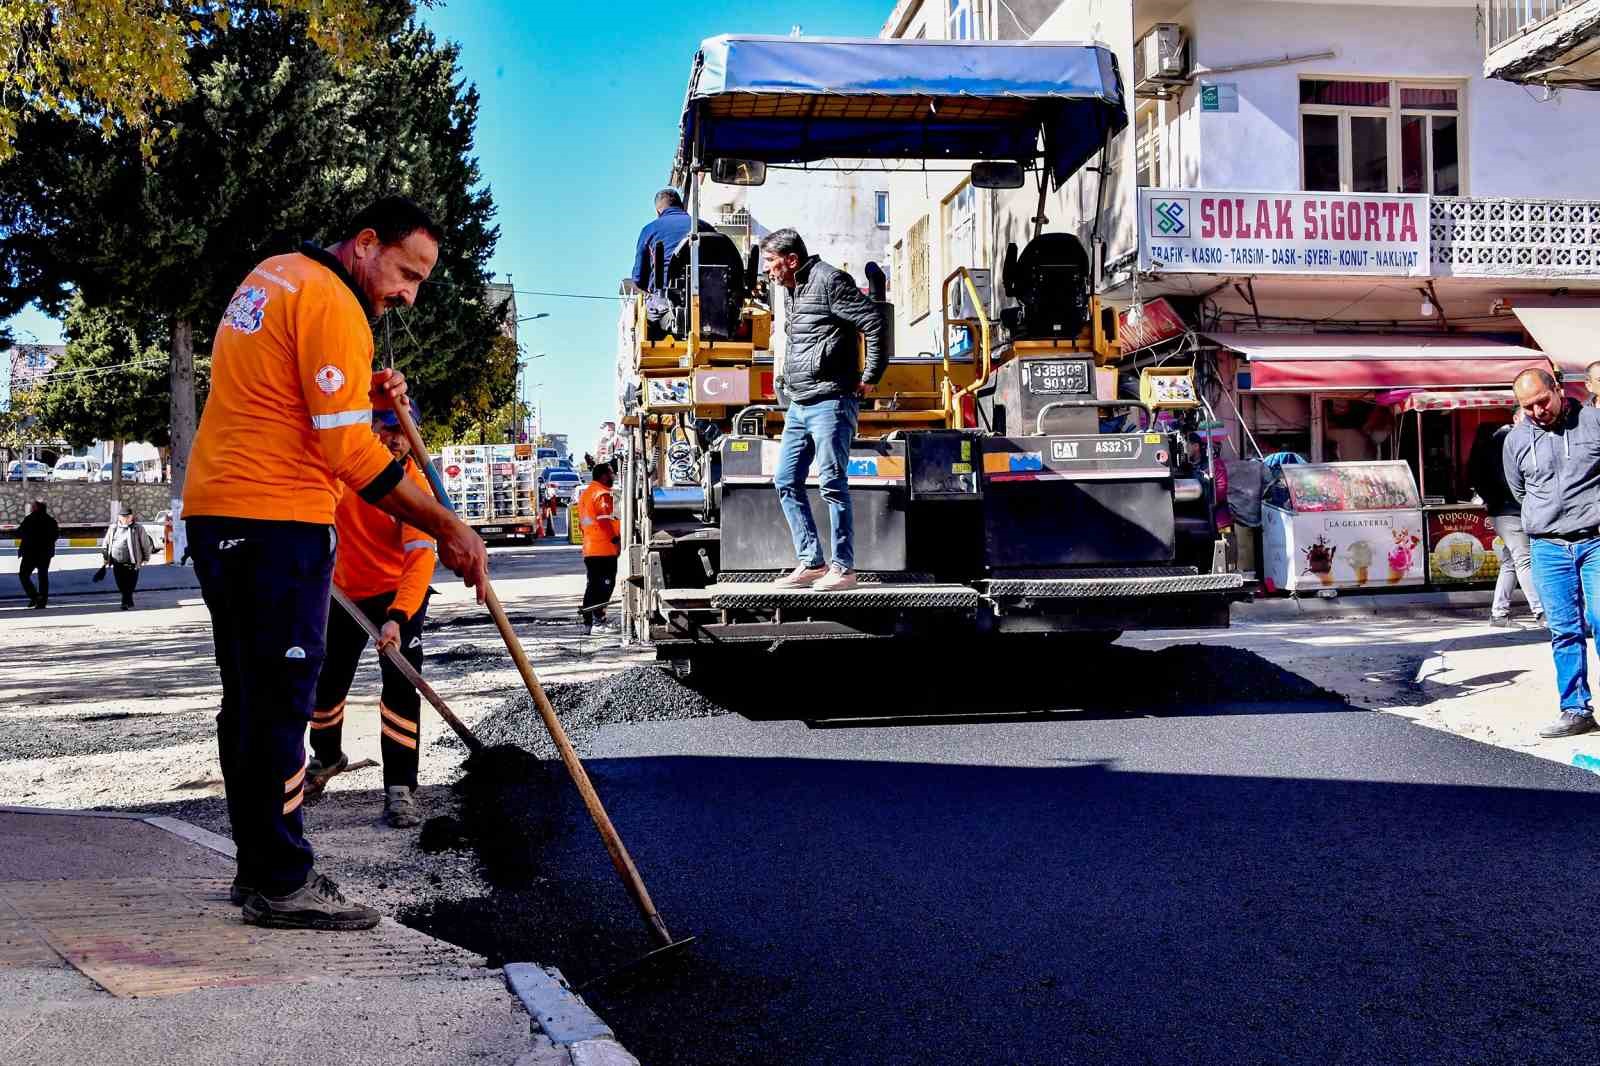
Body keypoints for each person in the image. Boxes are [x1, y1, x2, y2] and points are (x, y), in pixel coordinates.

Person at [183, 196, 488, 932]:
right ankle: (285, 880)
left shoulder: (274, 275)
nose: (408, 294)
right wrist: (448, 524)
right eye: (406, 272)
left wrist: (369, 399)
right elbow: (346, 453)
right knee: (284, 703)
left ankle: (259, 867)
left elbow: (291, 399)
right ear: (364, 243)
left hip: (216, 510)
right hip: (275, 521)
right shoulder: (331, 302)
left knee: (250, 700)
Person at [304, 400, 436, 828]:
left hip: (398, 597)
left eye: (403, 429)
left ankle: (400, 787)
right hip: (343, 595)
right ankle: (325, 758)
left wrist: (398, 616)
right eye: (386, 427)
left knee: (400, 689)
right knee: (326, 683)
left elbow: (419, 559)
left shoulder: (416, 490)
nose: (395, 437)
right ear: (368, 430)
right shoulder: (344, 475)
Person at [762, 228, 887, 592]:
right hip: (800, 403)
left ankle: (843, 569)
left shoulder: (830, 281)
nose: (767, 270)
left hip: (832, 400)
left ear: (791, 260)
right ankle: (812, 562)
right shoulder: (792, 291)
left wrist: (871, 375)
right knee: (785, 480)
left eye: (771, 262)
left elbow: (873, 322)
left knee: (832, 483)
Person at [1505, 367, 1600, 738]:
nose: (1537, 411)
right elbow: (1519, 490)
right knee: (1564, 631)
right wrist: (1545, 517)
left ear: (1558, 390)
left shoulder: (1593, 422)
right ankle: (1575, 710)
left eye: (1542, 401)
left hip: (1595, 540)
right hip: (1548, 546)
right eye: (1527, 406)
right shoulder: (1515, 440)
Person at [1469, 421, 1544, 629]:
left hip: (1498, 511)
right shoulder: (1507, 444)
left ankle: (1499, 614)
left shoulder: (1486, 447)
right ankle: (1541, 611)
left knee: (1511, 562)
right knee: (1524, 560)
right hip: (1511, 511)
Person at [630, 188, 713, 291]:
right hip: (708, 295)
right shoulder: (706, 227)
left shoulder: (649, 231)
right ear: (682, 206)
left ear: (658, 211)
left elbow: (638, 278)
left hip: (665, 298)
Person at [576, 462, 620, 634]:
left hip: (590, 548)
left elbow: (584, 523)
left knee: (593, 585)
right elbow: (604, 520)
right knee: (606, 585)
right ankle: (598, 619)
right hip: (604, 548)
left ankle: (589, 622)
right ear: (603, 475)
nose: (613, 476)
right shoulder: (602, 494)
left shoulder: (587, 494)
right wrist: (616, 539)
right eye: (611, 473)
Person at [100, 505, 156, 610]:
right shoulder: (113, 528)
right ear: (119, 517)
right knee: (120, 582)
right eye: (123, 516)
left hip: (133, 560)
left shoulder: (138, 528)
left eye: (127, 516)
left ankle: (125, 601)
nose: (125, 518)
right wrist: (105, 555)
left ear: (132, 517)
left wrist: (146, 557)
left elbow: (145, 544)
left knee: (131, 583)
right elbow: (106, 542)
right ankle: (127, 599)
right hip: (117, 560)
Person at [16, 499, 58, 609]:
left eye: (33, 506)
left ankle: (35, 596)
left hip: (30, 553)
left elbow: (19, 532)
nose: (31, 507)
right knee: (43, 576)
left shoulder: (29, 519)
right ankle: (42, 601)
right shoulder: (51, 520)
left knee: (23, 575)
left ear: (37, 508)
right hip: (45, 554)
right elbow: (55, 536)